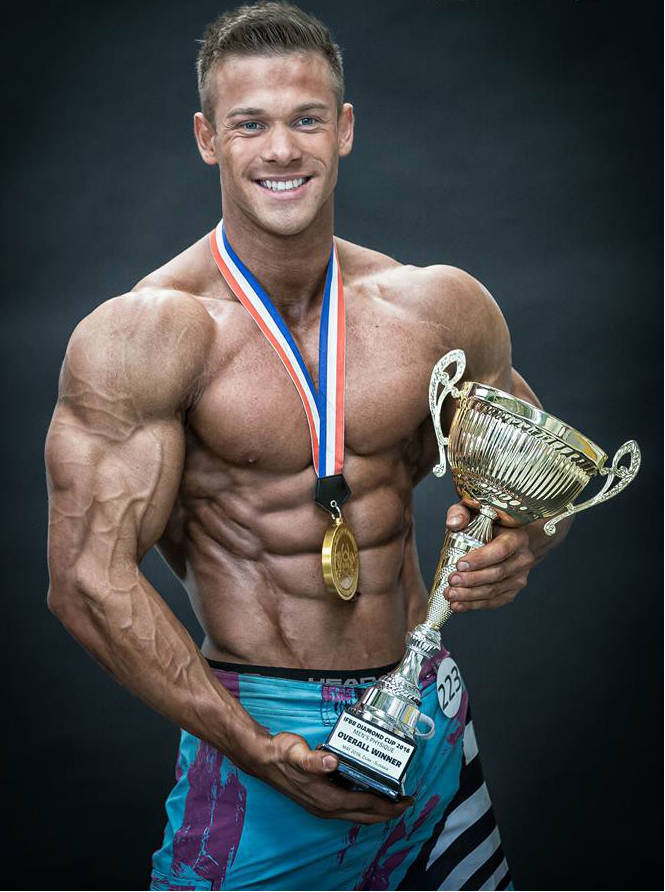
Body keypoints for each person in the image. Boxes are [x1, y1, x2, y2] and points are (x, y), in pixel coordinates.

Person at [45, 3, 572, 889]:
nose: (281, 150)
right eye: (250, 123)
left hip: (428, 717)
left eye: (306, 119)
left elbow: (541, 476)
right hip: (269, 733)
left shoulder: (434, 308)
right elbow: (85, 580)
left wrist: (525, 542)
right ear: (209, 138)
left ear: (346, 130)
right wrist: (252, 746)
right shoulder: (148, 335)